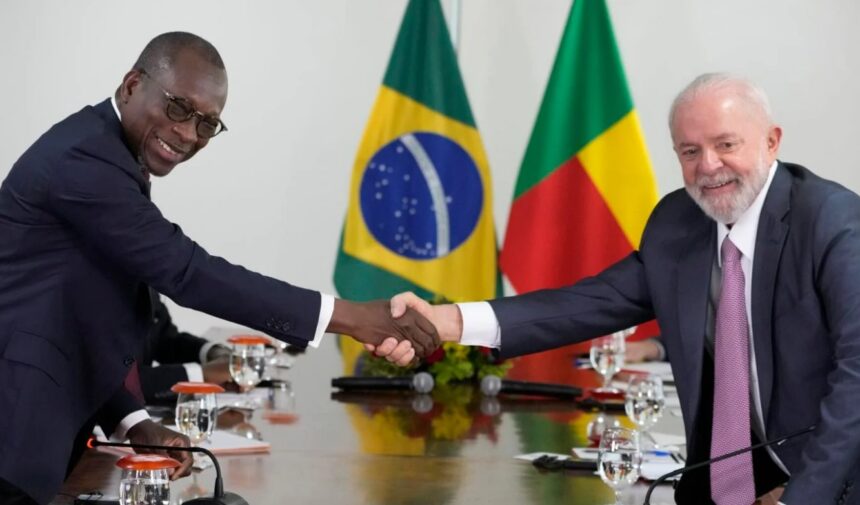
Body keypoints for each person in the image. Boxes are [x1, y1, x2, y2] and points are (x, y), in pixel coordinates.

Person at [382, 73, 860, 504]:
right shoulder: (678, 222)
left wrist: (802, 496)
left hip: (831, 482)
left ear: (772, 142)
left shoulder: (831, 222)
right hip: (719, 486)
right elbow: (589, 302)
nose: (708, 166)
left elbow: (856, 376)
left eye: (726, 145)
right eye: (689, 151)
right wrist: (445, 320)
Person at [0, 32, 435, 505]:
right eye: (178, 109)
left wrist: (135, 421)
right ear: (130, 86)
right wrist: (350, 318)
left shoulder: (110, 154)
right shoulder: (83, 160)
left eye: (207, 124)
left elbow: (79, 320)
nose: (188, 134)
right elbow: (189, 273)